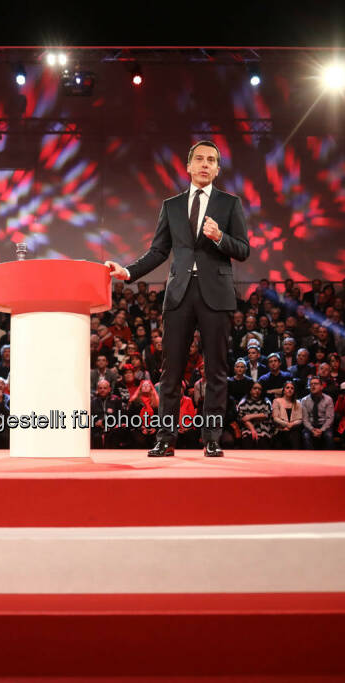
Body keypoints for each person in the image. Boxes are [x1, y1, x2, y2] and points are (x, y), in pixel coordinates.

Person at [106, 140, 250, 458]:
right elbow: (159, 250)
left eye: (211, 160)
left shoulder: (229, 203)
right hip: (179, 293)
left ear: (217, 169)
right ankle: (165, 438)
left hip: (217, 293)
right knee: (171, 373)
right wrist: (128, 272)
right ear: (188, 166)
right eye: (199, 159)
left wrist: (220, 238)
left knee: (215, 371)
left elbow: (243, 248)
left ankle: (212, 437)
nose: (204, 164)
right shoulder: (171, 205)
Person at [300, 376, 335, 450]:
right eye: (311, 384)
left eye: (315, 384)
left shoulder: (328, 399)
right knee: (306, 436)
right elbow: (305, 419)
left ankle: (329, 457)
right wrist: (312, 429)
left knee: (329, 435)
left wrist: (321, 430)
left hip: (324, 425)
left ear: (321, 387)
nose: (313, 386)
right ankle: (310, 457)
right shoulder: (304, 400)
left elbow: (330, 418)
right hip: (311, 425)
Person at [237, 382, 273, 449]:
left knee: (263, 442)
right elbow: (243, 418)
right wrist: (253, 430)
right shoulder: (243, 403)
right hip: (248, 429)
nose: (257, 390)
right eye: (255, 388)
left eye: (259, 389)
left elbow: (266, 415)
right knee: (248, 440)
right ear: (250, 390)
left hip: (263, 429)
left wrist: (250, 416)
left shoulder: (266, 402)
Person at [271, 381, 304, 449]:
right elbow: (275, 418)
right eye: (287, 388)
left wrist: (291, 425)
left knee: (295, 436)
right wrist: (286, 424)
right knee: (280, 436)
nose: (290, 390)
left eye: (292, 388)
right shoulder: (277, 401)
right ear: (284, 390)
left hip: (293, 429)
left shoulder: (297, 403)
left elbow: (300, 419)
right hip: (280, 429)